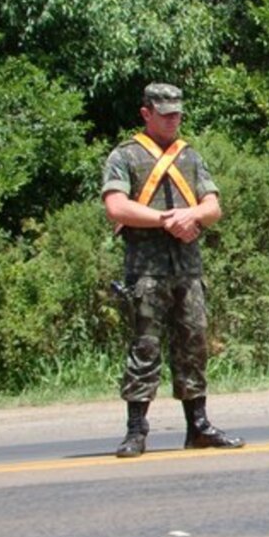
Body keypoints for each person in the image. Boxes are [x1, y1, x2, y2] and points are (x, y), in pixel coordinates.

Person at [102, 83, 244, 458]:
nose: (173, 120)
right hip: (145, 271)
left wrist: (193, 214)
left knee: (193, 346)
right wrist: (166, 220)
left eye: (178, 113)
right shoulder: (125, 156)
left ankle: (198, 425)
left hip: (188, 270)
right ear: (146, 114)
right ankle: (136, 430)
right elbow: (116, 207)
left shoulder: (190, 156)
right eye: (165, 114)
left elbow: (212, 206)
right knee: (144, 348)